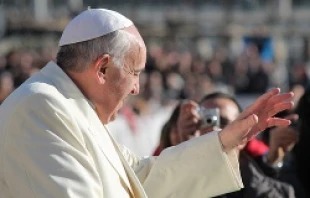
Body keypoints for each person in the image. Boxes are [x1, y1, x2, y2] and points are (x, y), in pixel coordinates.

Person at [0, 8, 294, 198]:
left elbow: (142, 178)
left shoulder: (71, 107)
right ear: (102, 69)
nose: (137, 88)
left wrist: (225, 141)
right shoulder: (42, 107)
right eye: (134, 72)